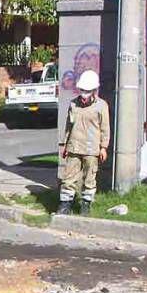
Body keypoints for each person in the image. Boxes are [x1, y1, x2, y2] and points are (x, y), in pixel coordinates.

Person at [58, 70, 110, 216]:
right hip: (74, 146)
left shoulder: (101, 106)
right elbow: (68, 126)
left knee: (89, 179)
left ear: (94, 90)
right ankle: (65, 205)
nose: (84, 94)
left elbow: (105, 128)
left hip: (91, 149)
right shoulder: (73, 104)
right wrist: (65, 144)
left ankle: (85, 205)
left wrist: (103, 147)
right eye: (82, 90)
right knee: (68, 178)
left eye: (87, 91)